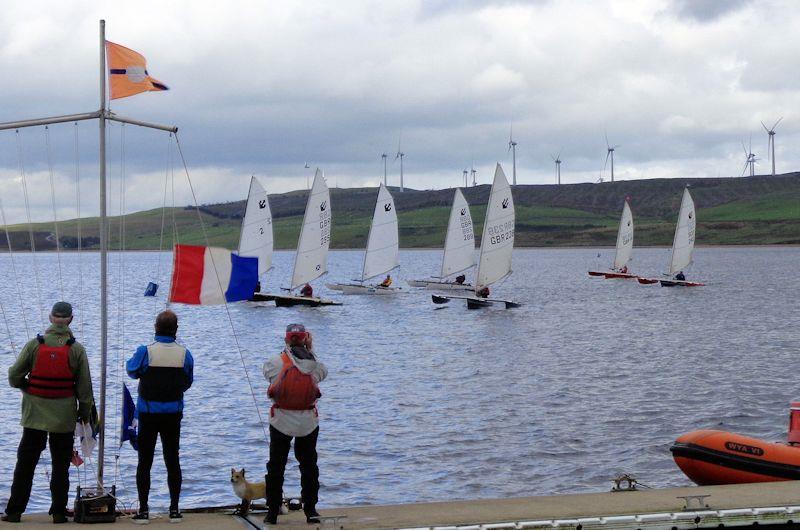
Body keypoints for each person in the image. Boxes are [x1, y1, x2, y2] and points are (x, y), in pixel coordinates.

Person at [3, 302, 95, 524]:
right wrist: (84, 414)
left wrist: (27, 387)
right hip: (63, 416)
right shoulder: (77, 349)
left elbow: (14, 375)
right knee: (60, 465)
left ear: (51, 318)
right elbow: (85, 389)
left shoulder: (34, 345)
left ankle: (14, 512)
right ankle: (59, 512)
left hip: (34, 415)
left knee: (26, 463)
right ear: (70, 320)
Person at [126, 310, 194, 524]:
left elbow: (131, 371)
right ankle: (174, 510)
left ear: (155, 327)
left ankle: (144, 510)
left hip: (148, 413)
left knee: (144, 461)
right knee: (172, 459)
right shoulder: (185, 354)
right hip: (173, 413)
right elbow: (188, 381)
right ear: (176, 329)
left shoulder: (145, 351)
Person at [263, 324, 327, 525]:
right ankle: (311, 510)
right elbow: (323, 374)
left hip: (281, 420)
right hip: (308, 422)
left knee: (276, 467)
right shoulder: (315, 365)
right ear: (305, 339)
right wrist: (311, 349)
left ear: (286, 339)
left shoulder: (275, 362)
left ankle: (272, 512)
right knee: (308, 466)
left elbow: (266, 374)